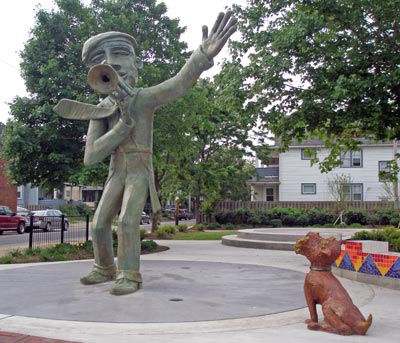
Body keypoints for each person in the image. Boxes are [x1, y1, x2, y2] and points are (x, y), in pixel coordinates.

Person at [54, 11, 237, 295]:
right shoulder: (100, 110)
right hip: (117, 171)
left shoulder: (143, 99)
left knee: (128, 220)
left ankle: (130, 274)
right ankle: (104, 267)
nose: (110, 63)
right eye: (99, 61)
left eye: (118, 53)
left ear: (136, 63)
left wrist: (202, 56)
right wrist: (120, 128)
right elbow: (91, 156)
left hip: (138, 170)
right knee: (100, 222)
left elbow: (177, 84)